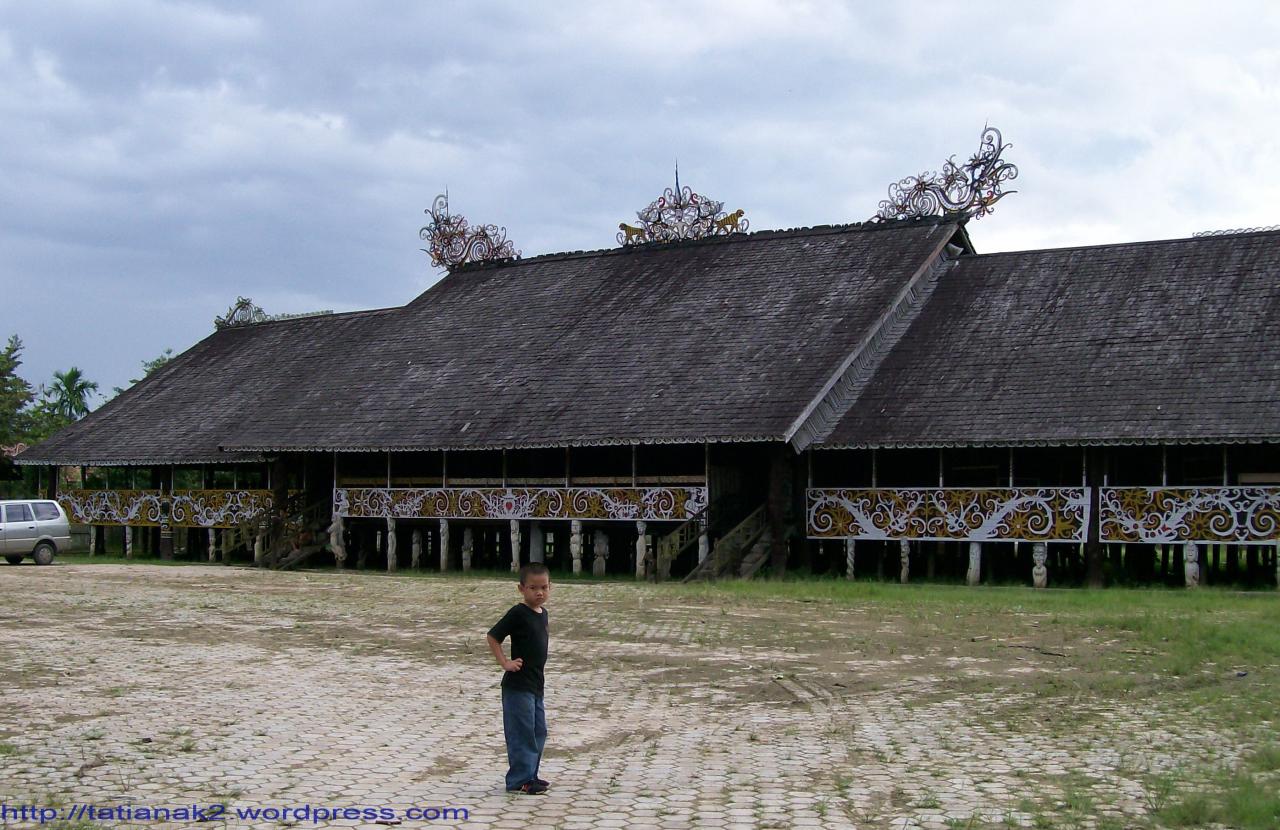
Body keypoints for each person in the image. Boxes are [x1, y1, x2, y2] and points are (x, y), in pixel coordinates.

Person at [485, 562, 551, 794]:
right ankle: (519, 780)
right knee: (522, 733)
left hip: (536, 685)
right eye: (533, 588)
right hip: (517, 685)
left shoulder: (543, 614)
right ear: (521, 589)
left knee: (539, 731)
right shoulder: (517, 613)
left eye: (544, 587)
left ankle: (531, 773)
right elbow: (493, 636)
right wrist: (505, 663)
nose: (539, 592)